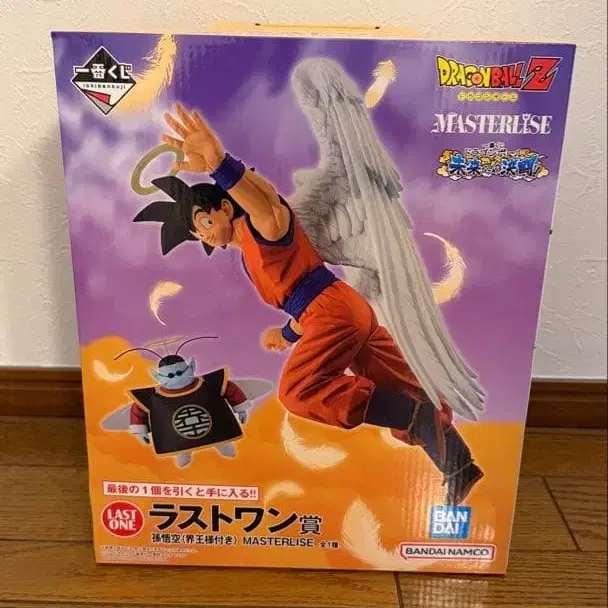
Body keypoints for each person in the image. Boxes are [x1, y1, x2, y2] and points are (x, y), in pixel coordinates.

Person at [133, 103, 484, 505]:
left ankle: (411, 416)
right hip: (340, 309)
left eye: (205, 222)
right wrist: (286, 334)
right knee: (403, 385)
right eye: (198, 232)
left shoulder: (262, 230)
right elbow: (273, 208)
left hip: (333, 311)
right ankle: (460, 466)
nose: (205, 235)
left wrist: (219, 165)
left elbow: (266, 206)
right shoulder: (252, 246)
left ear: (225, 207)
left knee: (299, 390)